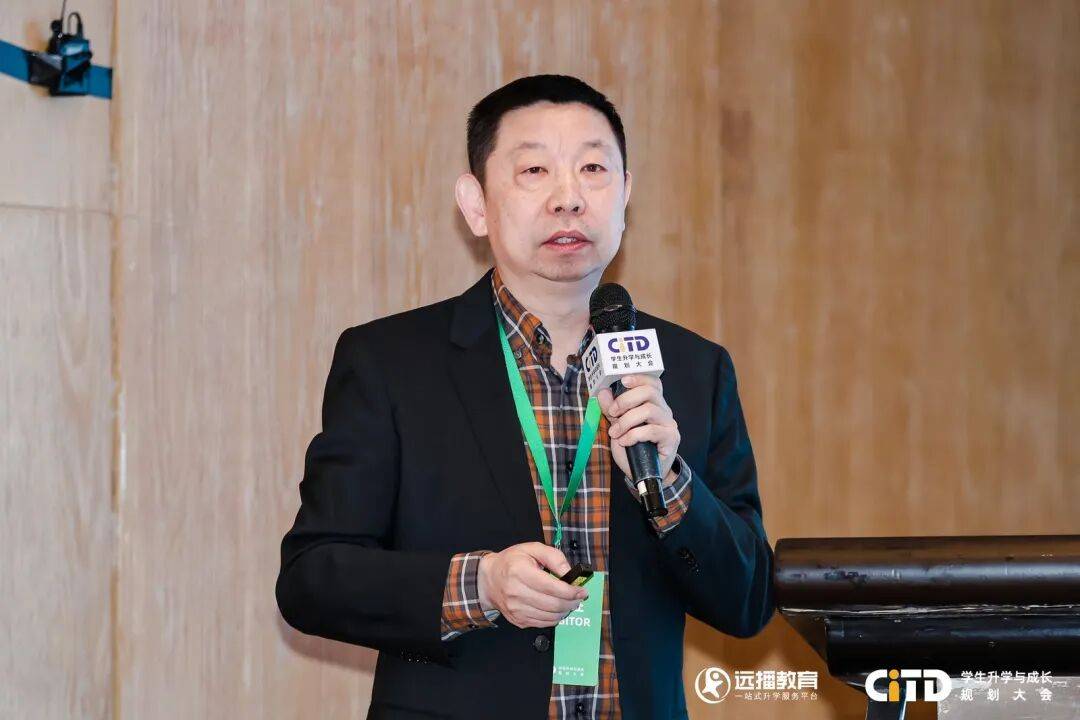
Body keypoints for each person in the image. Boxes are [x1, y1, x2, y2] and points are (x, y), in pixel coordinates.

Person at [276, 74, 774, 720]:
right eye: (535, 170)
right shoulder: (391, 363)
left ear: (626, 194)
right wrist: (480, 585)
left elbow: (748, 601)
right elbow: (313, 578)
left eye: (593, 169)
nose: (569, 198)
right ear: (476, 204)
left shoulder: (693, 369)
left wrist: (671, 483)